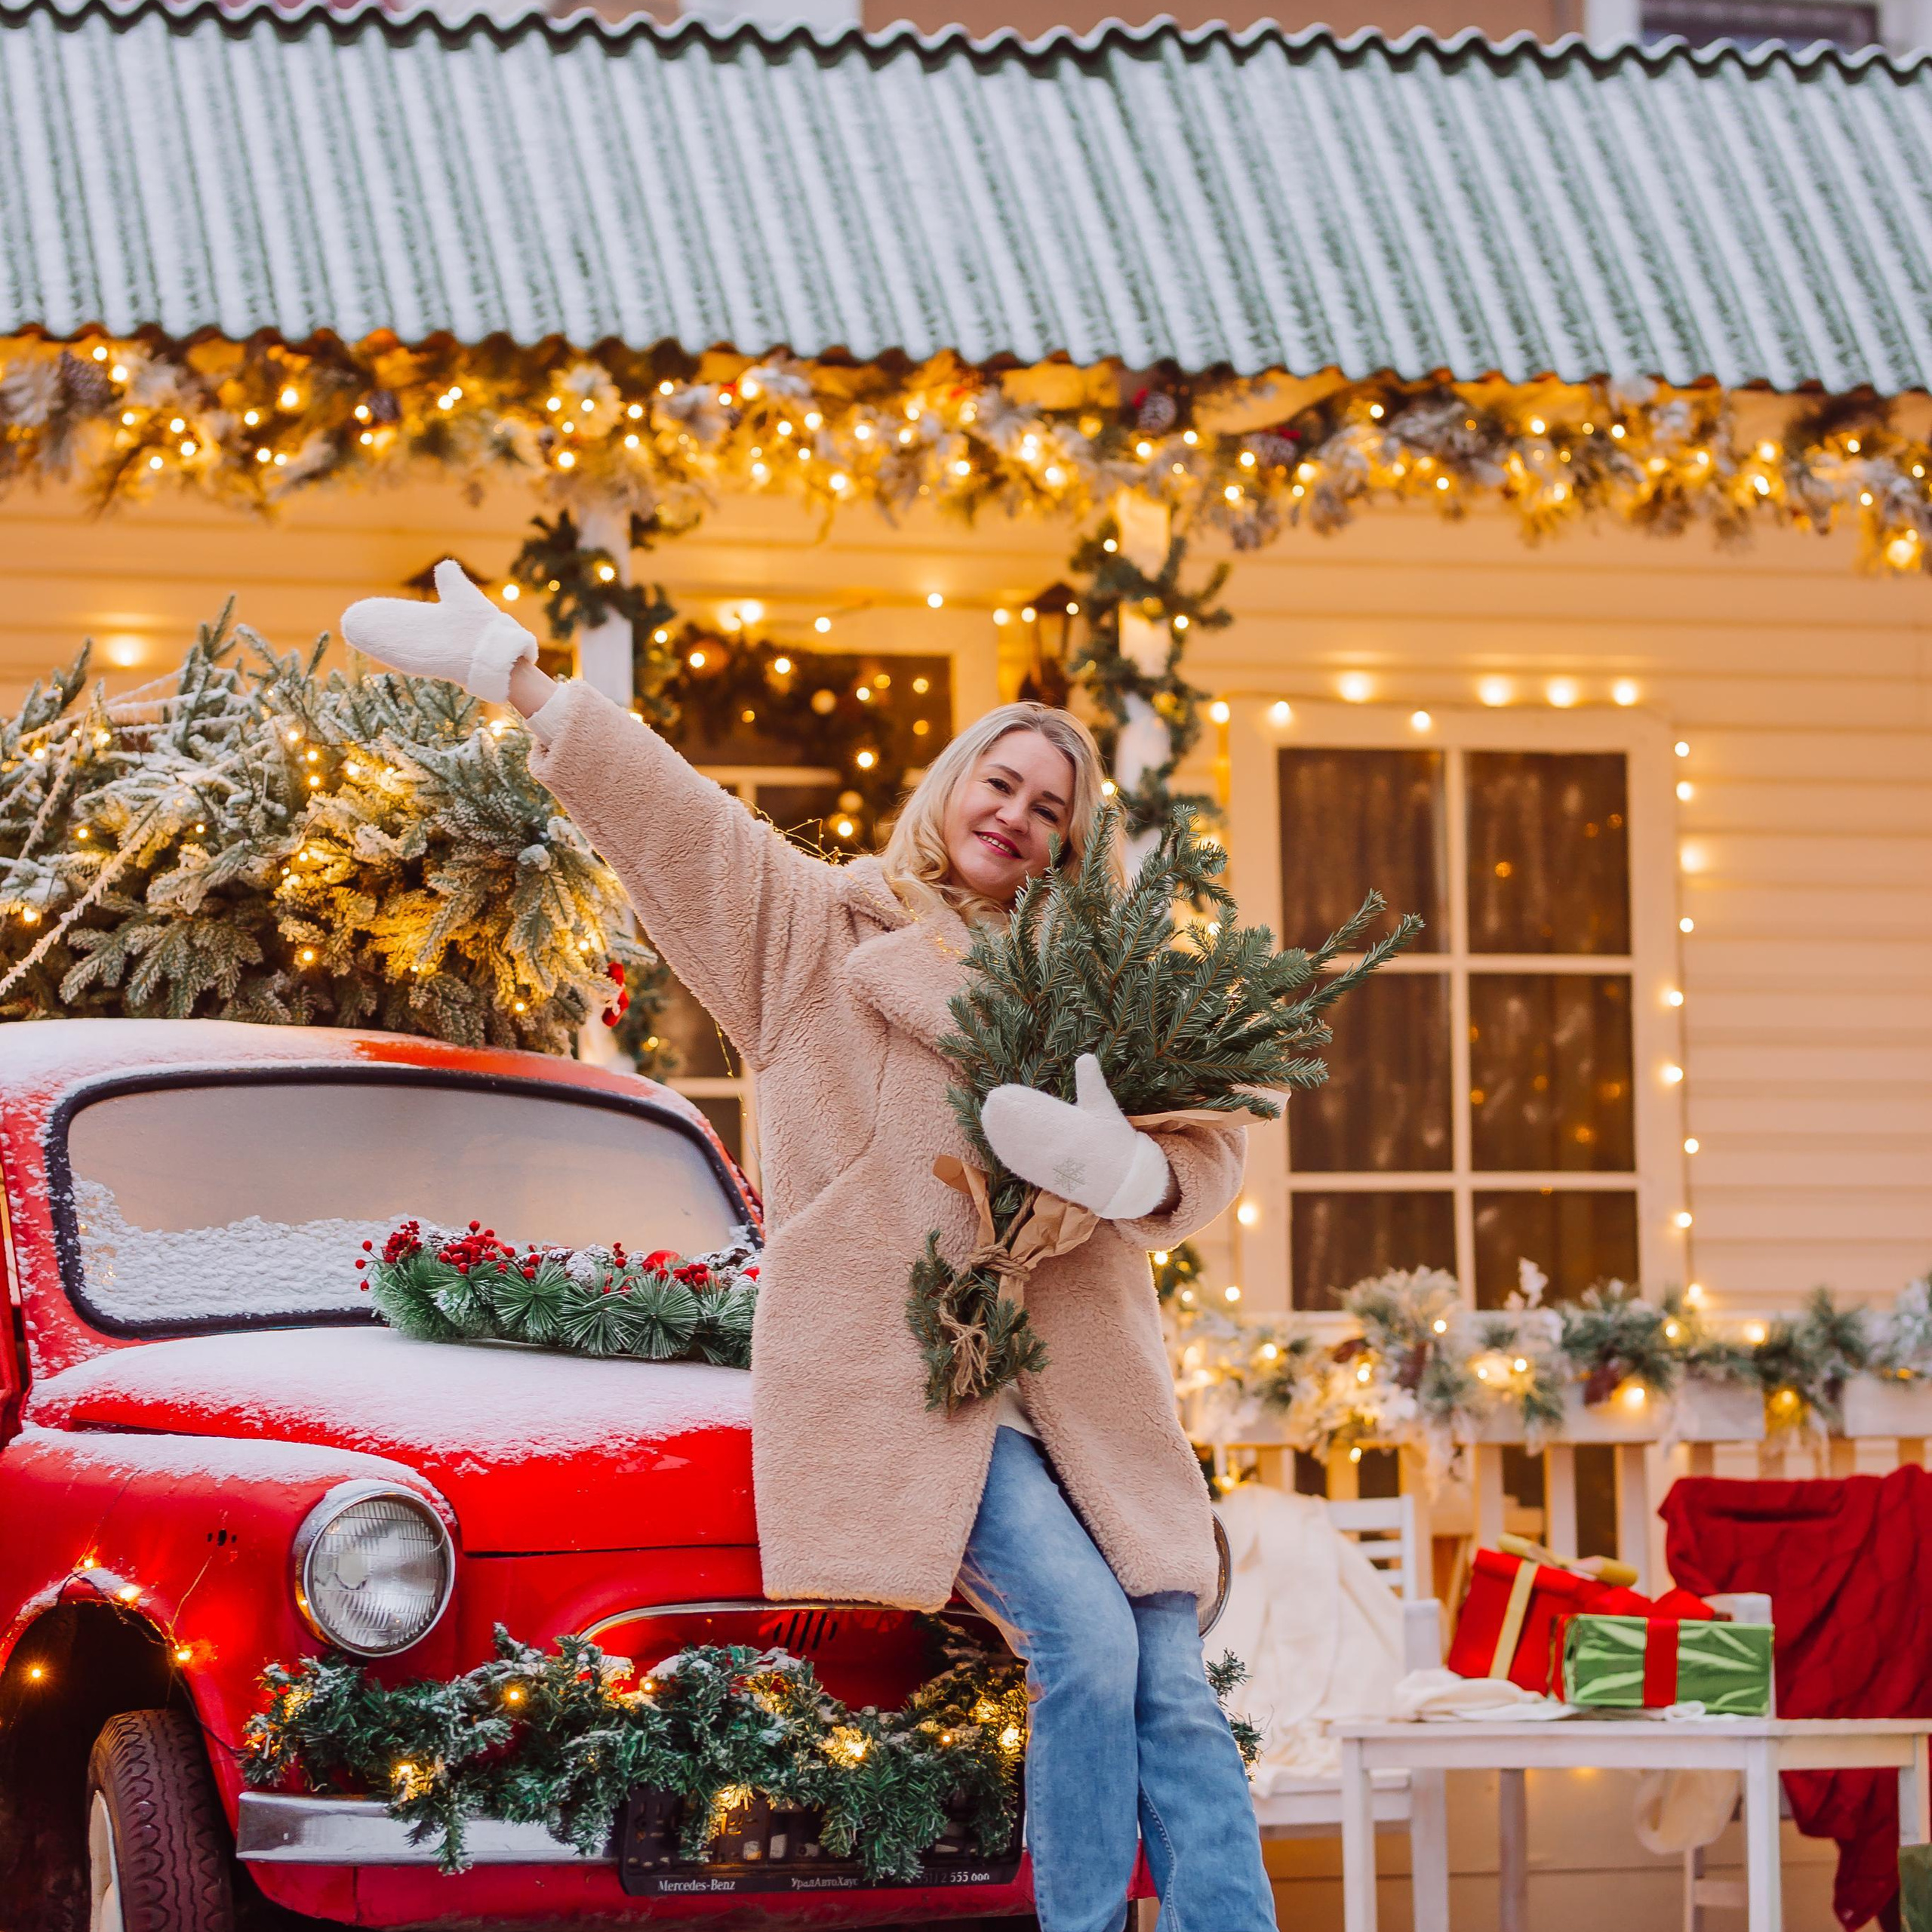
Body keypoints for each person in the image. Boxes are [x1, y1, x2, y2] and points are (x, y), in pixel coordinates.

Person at [343, 562, 1278, 1932]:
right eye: (998, 783)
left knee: (1170, 1675)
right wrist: (524, 678)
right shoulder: (812, 930)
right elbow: (675, 815)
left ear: (1072, 847)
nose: (1013, 816)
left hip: (1082, 1382)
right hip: (923, 1384)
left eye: (1048, 809)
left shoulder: (1095, 984)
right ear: (952, 785)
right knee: (1080, 1642)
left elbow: (1207, 1131)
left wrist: (1131, 1167)